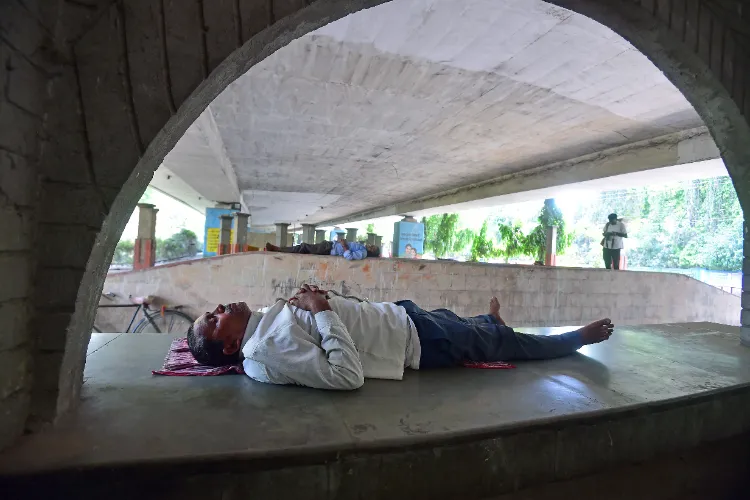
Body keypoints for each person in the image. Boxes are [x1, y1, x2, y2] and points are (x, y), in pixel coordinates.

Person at [187, 284, 615, 390]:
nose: (222, 308)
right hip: (415, 343)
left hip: (399, 318)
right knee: (505, 345)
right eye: (215, 318)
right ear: (229, 345)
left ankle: (490, 320)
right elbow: (346, 375)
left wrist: (309, 300)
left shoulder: (265, 330)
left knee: (462, 321)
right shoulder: (266, 351)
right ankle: (572, 340)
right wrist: (320, 309)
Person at [266, 238, 380, 260]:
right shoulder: (362, 247)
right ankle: (279, 249)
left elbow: (348, 256)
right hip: (330, 245)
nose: (371, 245)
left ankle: (278, 249)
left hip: (329, 250)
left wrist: (344, 245)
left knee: (304, 247)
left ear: (372, 252)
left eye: (373, 247)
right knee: (304, 248)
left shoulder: (363, 253)